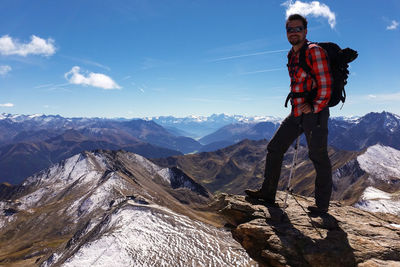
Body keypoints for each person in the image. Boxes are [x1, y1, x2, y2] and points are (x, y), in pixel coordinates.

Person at [245, 14, 332, 214]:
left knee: (318, 157)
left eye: (298, 28)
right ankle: (268, 193)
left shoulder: (314, 52)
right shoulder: (291, 54)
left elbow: (326, 85)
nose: (293, 32)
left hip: (314, 114)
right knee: (275, 148)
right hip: (296, 112)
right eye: (290, 29)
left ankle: (322, 206)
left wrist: (315, 106)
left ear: (306, 31)